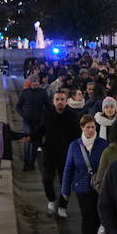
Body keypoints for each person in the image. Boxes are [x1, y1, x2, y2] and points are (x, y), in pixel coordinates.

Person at [60, 113, 107, 234]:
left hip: (99, 186)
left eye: (93, 127)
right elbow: (68, 168)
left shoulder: (103, 145)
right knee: (87, 213)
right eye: (88, 127)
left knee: (97, 212)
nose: (91, 130)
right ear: (82, 128)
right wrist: (65, 190)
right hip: (81, 185)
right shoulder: (74, 146)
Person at [41, 89, 82, 217]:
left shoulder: (73, 116)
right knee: (47, 180)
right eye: (57, 99)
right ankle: (52, 200)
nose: (59, 102)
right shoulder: (47, 114)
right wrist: (29, 137)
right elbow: (40, 130)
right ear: (53, 101)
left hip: (66, 155)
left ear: (66, 101)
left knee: (65, 182)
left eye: (62, 99)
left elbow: (77, 137)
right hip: (50, 153)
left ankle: (63, 206)